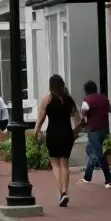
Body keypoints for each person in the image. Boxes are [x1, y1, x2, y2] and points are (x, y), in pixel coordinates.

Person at [35, 74, 78, 207]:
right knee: (65, 165)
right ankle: (66, 190)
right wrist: (76, 132)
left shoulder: (47, 99)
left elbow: (41, 118)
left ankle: (61, 193)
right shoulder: (68, 99)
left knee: (55, 165)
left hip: (53, 133)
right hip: (67, 133)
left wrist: (36, 131)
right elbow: (76, 116)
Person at [78, 80, 111, 188]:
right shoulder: (104, 98)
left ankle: (108, 179)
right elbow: (110, 110)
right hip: (104, 129)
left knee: (98, 154)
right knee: (90, 150)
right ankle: (87, 177)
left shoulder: (87, 100)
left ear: (86, 91)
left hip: (93, 130)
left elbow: (84, 112)